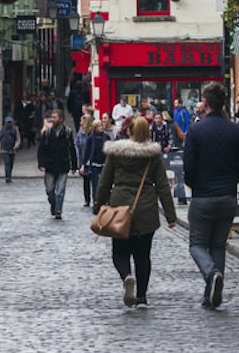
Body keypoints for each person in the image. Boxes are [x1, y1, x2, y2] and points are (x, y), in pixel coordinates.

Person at [96, 116, 178, 308]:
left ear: (129, 131)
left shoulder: (116, 153)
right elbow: (163, 186)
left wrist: (98, 204)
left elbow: (105, 182)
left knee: (119, 252)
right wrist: (171, 216)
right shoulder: (152, 155)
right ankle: (141, 296)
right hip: (145, 208)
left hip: (119, 206)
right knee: (143, 255)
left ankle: (126, 276)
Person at [183, 82, 239, 310]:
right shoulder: (235, 130)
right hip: (228, 197)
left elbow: (188, 167)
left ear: (206, 103)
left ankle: (211, 275)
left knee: (197, 244)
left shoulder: (196, 130)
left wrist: (195, 185)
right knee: (218, 245)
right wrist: (231, 182)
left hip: (203, 196)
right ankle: (211, 295)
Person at [36, 109, 78, 219]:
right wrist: (41, 163)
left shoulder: (68, 132)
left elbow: (72, 149)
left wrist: (74, 165)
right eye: (52, 117)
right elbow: (41, 149)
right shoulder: (48, 132)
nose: (52, 119)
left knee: (60, 190)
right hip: (50, 165)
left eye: (55, 117)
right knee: (49, 190)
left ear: (61, 119)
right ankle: (54, 205)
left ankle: (58, 210)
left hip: (63, 165)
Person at [80, 111, 109, 208]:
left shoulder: (106, 137)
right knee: (95, 183)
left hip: (104, 163)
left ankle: (104, 199)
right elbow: (87, 152)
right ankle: (96, 200)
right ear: (95, 127)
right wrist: (84, 164)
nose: (101, 127)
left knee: (104, 183)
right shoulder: (90, 138)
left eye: (102, 125)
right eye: (99, 126)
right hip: (94, 163)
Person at [170, 94, 195, 204]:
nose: (175, 105)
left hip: (182, 137)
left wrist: (185, 133)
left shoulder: (183, 112)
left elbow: (186, 123)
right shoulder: (175, 112)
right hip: (177, 138)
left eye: (176, 103)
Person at [0, 114, 21, 182]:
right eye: (8, 122)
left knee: (11, 164)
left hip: (12, 150)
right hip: (4, 150)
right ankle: (7, 177)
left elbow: (18, 139)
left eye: (10, 122)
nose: (9, 124)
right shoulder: (1, 130)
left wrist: (16, 146)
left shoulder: (15, 129)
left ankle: (9, 175)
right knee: (7, 163)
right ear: (5, 122)